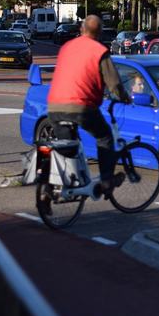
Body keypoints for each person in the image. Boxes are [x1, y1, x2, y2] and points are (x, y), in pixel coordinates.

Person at [47, 15, 131, 198]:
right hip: (80, 106)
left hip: (54, 106)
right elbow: (114, 84)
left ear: (81, 29)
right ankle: (107, 180)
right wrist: (125, 97)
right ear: (99, 32)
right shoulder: (99, 51)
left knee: (68, 147)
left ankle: (53, 187)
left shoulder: (66, 47)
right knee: (105, 137)